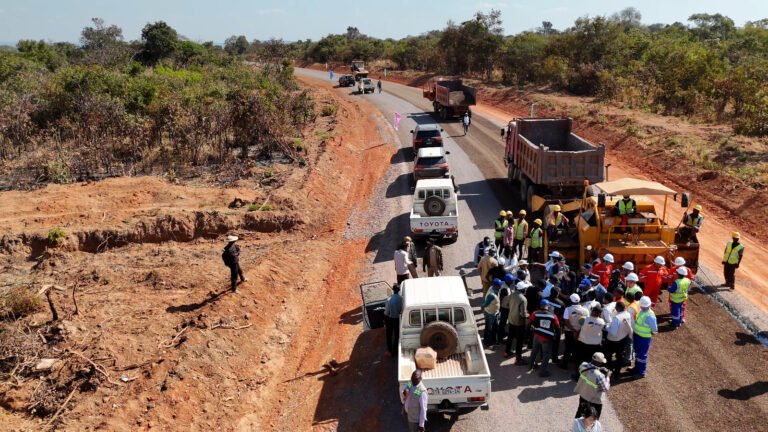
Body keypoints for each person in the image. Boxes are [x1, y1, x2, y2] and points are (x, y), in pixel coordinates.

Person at [528, 299, 560, 377]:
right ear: (548, 306)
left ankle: (530, 365)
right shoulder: (553, 316)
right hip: (547, 339)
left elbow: (529, 323)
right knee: (546, 355)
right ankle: (542, 372)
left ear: (540, 305)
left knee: (534, 351)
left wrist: (530, 330)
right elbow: (558, 328)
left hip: (537, 336)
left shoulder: (535, 313)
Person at [574, 352, 611, 419]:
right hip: (594, 400)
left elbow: (587, 371)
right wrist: (607, 377)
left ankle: (577, 426)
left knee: (580, 412)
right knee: (593, 418)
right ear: (599, 363)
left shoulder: (583, 365)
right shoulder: (600, 375)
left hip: (583, 395)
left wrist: (598, 369)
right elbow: (605, 388)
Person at [632, 296, 658, 378]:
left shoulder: (650, 315)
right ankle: (636, 368)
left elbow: (654, 328)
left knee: (642, 355)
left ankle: (641, 372)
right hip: (637, 336)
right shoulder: (641, 311)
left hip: (643, 338)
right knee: (637, 353)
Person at [604, 301, 632, 375]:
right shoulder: (627, 314)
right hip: (623, 339)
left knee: (608, 355)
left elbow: (613, 332)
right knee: (619, 357)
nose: (615, 308)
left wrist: (606, 327)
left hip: (614, 341)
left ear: (618, 308)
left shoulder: (616, 318)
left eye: (616, 307)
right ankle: (616, 373)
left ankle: (608, 370)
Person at [504, 281, 529, 363]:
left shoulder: (512, 294)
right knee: (519, 340)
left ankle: (507, 352)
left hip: (511, 319)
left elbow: (506, 304)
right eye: (525, 288)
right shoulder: (523, 299)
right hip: (519, 322)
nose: (526, 289)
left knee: (510, 337)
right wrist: (528, 316)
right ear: (522, 289)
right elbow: (523, 313)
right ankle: (518, 359)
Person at [561, 294, 588, 369]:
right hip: (580, 332)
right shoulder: (585, 310)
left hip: (569, 331)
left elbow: (566, 321)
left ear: (571, 300)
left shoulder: (567, 309)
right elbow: (586, 321)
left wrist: (573, 330)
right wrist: (578, 330)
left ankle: (564, 365)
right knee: (577, 348)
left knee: (568, 348)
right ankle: (576, 364)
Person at [576, 306, 606, 373]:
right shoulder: (602, 322)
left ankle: (578, 374)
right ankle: (590, 374)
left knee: (580, 360)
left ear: (592, 311)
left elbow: (579, 323)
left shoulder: (584, 319)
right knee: (591, 361)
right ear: (599, 314)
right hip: (595, 345)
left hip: (583, 343)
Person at [666, 257, 694, 321]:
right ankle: (673, 314)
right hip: (674, 289)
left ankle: (682, 317)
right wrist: (670, 286)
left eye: (680, 265)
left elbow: (691, 279)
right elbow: (669, 278)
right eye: (678, 265)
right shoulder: (673, 269)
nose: (679, 266)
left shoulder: (687, 270)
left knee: (682, 304)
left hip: (682, 290)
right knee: (671, 303)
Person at [384, 283, 403, 357]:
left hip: (390, 319)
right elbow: (402, 309)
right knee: (397, 335)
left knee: (389, 335)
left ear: (393, 289)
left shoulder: (389, 300)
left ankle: (389, 351)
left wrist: (385, 320)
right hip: (398, 319)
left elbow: (386, 312)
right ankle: (396, 351)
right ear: (399, 290)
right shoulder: (401, 299)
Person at [482, 279, 502, 346]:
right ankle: (487, 342)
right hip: (490, 314)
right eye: (499, 285)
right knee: (489, 328)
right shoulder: (491, 295)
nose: (501, 286)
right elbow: (485, 304)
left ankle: (493, 340)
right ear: (496, 286)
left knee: (495, 327)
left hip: (495, 313)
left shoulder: (495, 290)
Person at [497, 274, 515, 342]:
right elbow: (501, 298)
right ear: (508, 281)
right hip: (504, 308)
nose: (512, 281)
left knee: (504, 322)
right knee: (502, 322)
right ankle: (500, 338)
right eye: (511, 280)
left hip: (506, 307)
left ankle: (503, 333)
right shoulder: (504, 289)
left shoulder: (506, 285)